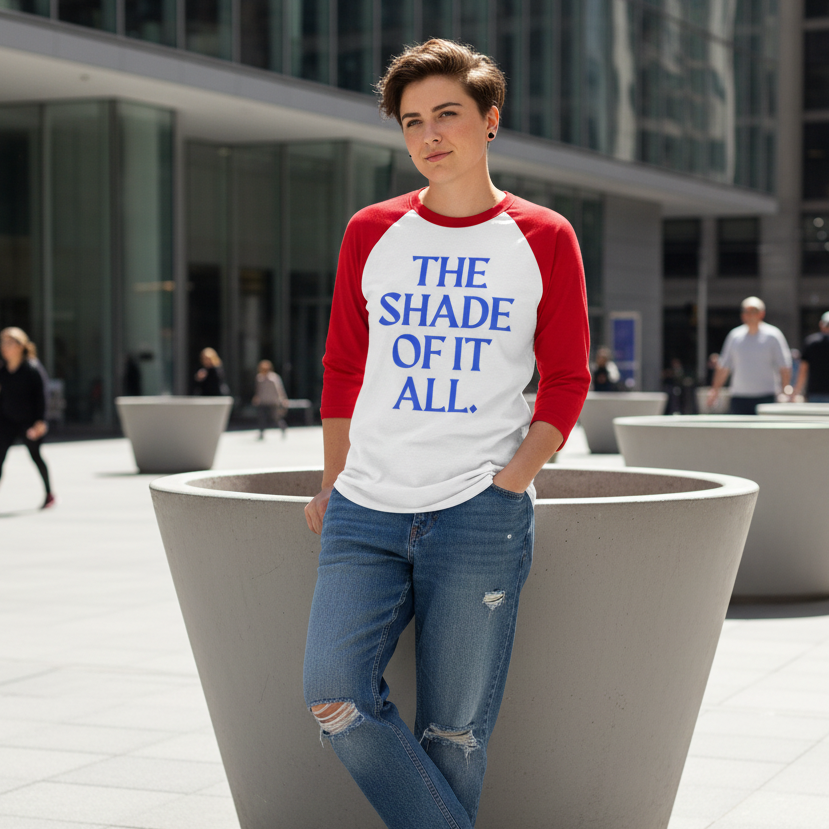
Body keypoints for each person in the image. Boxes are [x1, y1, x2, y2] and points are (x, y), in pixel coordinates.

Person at [301, 39, 590, 829]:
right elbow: (340, 368)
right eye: (411, 121)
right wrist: (332, 477)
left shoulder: (544, 236)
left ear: (488, 122)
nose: (429, 134)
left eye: (447, 115)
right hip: (365, 507)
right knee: (332, 688)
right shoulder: (371, 230)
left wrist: (513, 476)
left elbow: (567, 378)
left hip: (479, 512)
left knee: (454, 731)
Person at [0, 327, 55, 509]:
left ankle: (49, 494)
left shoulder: (32, 368)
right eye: (2, 342)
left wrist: (41, 421)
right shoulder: (4, 371)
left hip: (29, 422)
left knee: (35, 455)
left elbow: (42, 396)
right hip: (7, 421)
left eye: (9, 342)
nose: (4, 347)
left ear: (20, 345)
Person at [707, 297, 792, 415]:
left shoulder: (773, 335)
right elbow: (724, 366)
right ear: (742, 315)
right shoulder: (735, 336)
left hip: (766, 397)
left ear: (762, 313)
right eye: (746, 311)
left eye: (754, 311)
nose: (750, 315)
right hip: (739, 397)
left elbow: (784, 365)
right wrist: (714, 391)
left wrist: (785, 390)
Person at [793, 311, 829, 403]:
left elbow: (803, 369)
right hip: (815, 392)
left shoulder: (811, 342)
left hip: (815, 392)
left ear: (821, 324)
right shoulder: (811, 342)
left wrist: (797, 391)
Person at [253, 360, 288, 438]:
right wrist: (256, 397)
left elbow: (279, 389)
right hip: (263, 401)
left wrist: (283, 399)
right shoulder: (259, 378)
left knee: (276, 417)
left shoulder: (274, 378)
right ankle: (261, 433)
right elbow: (258, 390)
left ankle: (283, 428)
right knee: (262, 418)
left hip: (273, 401)